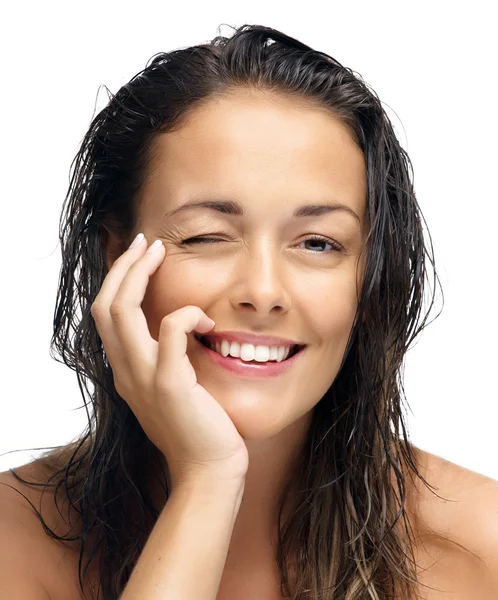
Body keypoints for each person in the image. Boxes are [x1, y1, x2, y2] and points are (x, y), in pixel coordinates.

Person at [0, 23, 497, 600]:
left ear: (369, 282)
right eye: (208, 236)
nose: (263, 291)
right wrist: (206, 481)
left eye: (318, 243)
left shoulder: (479, 549)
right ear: (117, 259)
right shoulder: (14, 544)